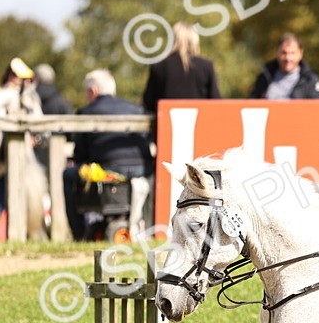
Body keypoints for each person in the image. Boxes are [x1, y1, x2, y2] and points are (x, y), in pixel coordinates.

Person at [65, 70, 153, 240]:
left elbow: (81, 154)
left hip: (109, 169)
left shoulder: (86, 112)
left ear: (93, 91)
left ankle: (78, 233)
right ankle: (148, 227)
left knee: (68, 175)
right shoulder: (136, 109)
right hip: (142, 169)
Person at [142, 23, 222, 111]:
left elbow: (148, 102)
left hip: (168, 118)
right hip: (199, 118)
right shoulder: (206, 66)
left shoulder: (159, 66)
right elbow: (216, 101)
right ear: (195, 41)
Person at [249, 34, 319, 99]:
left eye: (292, 53)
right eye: (284, 53)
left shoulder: (310, 80)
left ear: (300, 54)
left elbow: (317, 108)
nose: (288, 58)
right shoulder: (265, 76)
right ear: (277, 52)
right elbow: (252, 102)